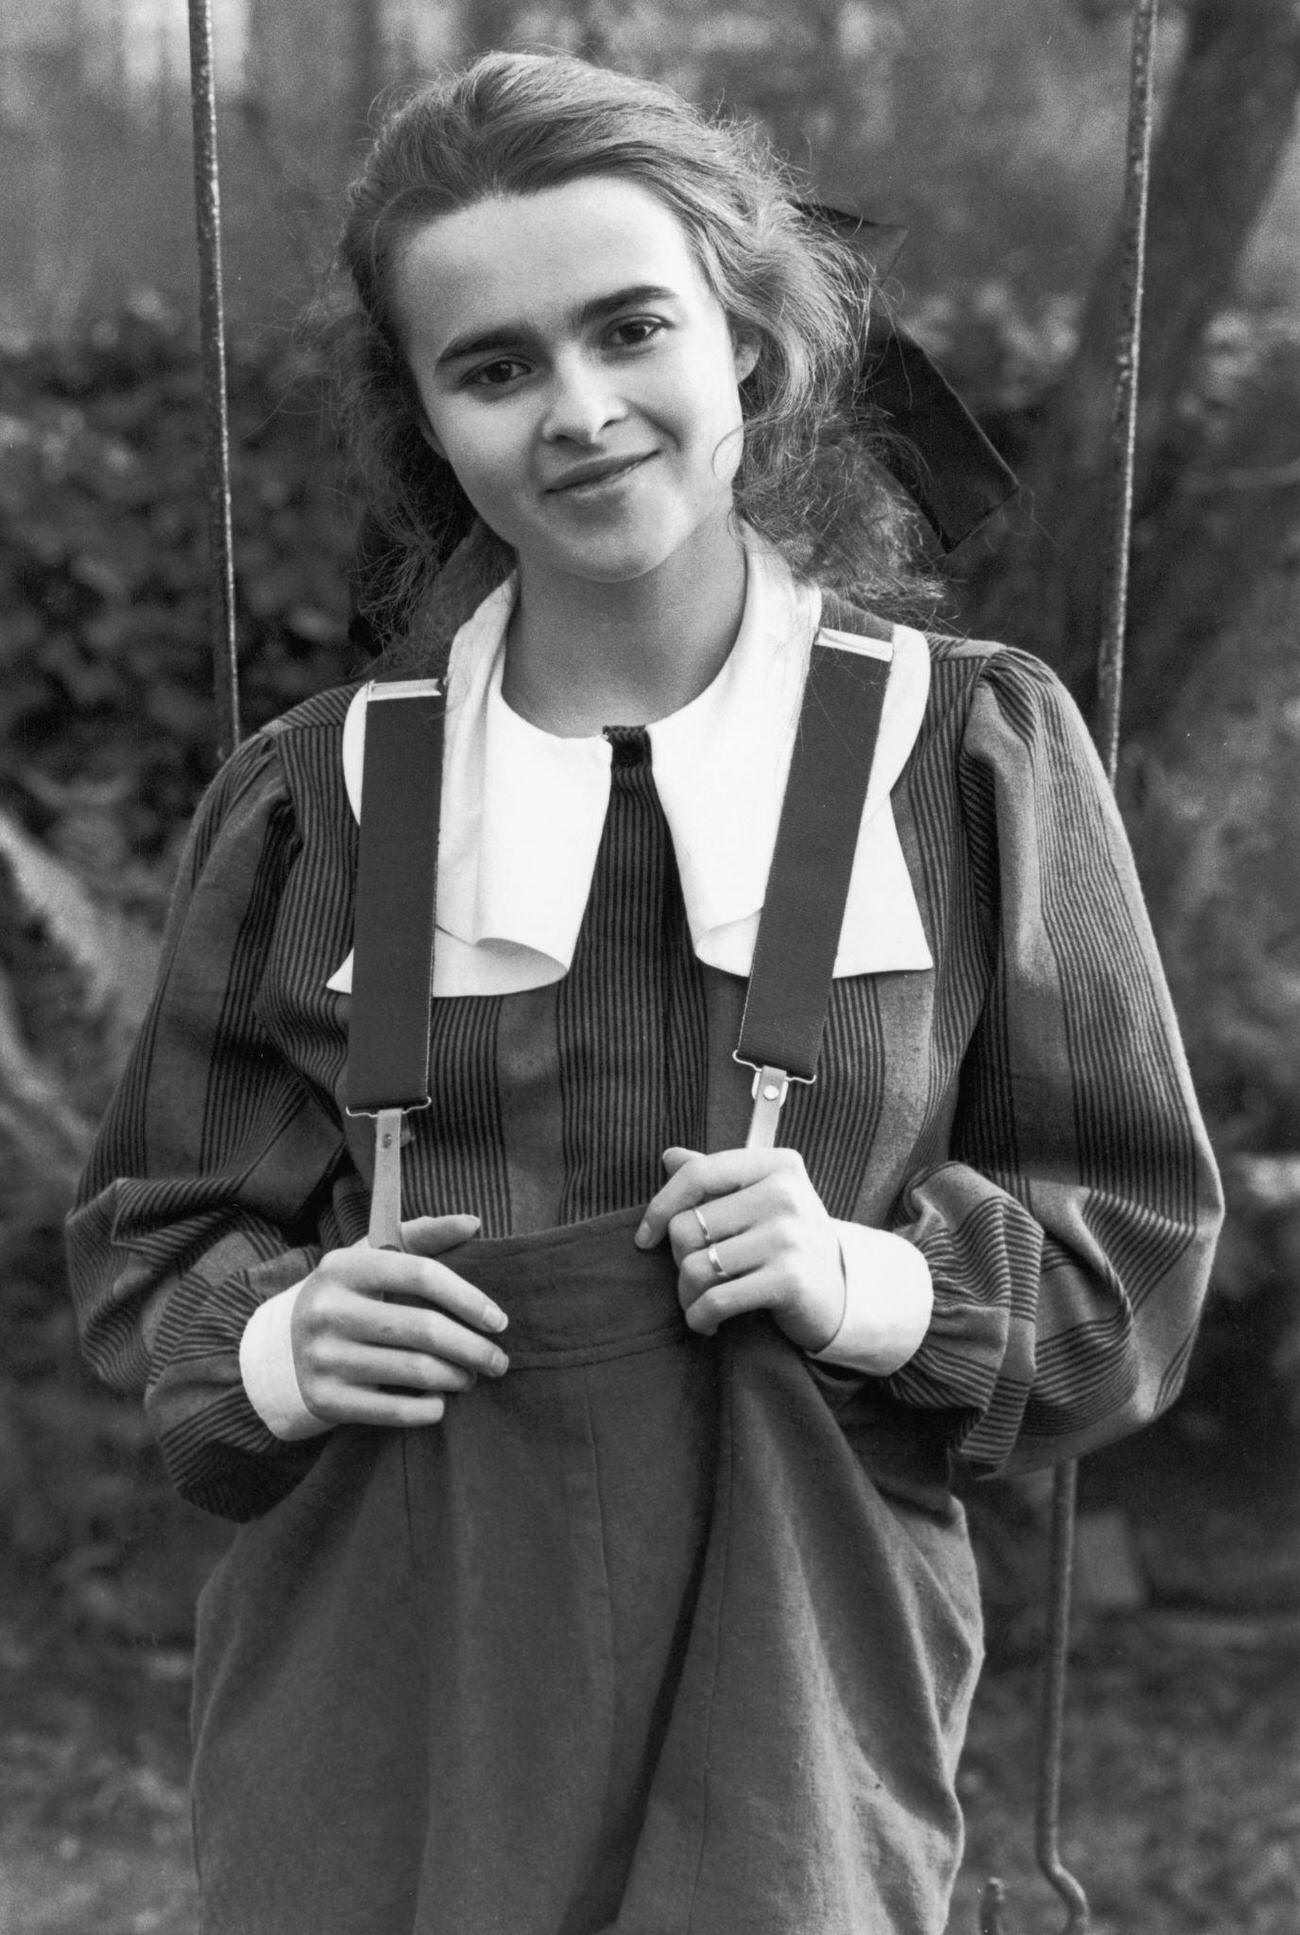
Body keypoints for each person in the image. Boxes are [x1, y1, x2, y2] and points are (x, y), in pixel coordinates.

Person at [67, 50, 1222, 1935]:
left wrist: (872, 1278)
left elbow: (1139, 1255)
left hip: (793, 1691)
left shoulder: (973, 755)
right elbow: (151, 1238)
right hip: (395, 1683)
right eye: (496, 365)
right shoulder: (319, 798)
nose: (582, 410)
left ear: (747, 346)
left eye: (630, 329)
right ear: (429, 422)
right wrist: (279, 1334)